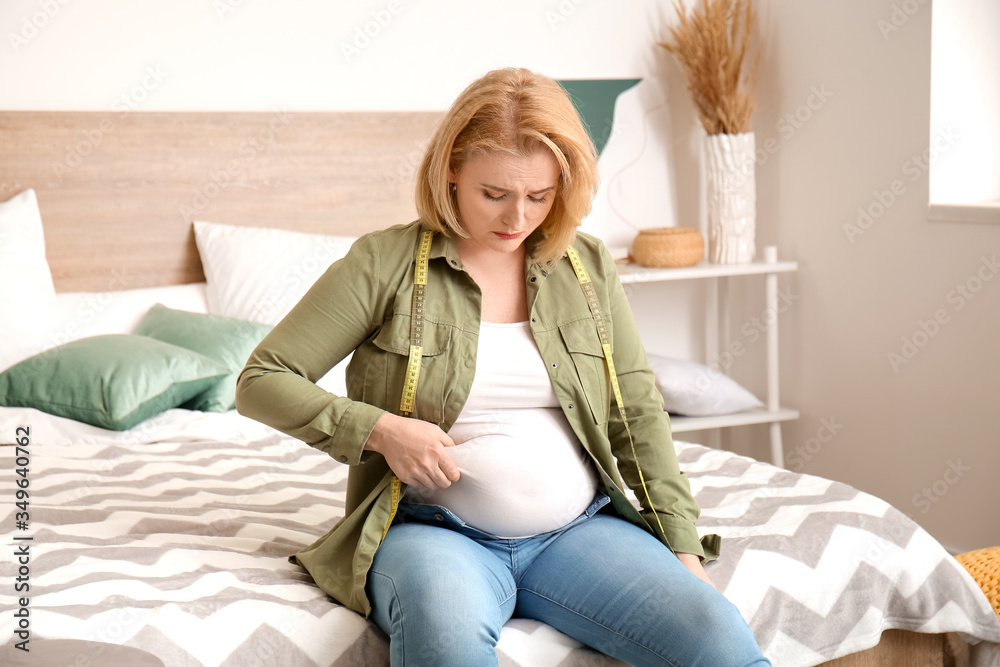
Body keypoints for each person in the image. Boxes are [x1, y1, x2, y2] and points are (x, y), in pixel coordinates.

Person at [236, 67, 770, 667]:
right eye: (494, 194)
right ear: (451, 171)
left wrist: (683, 553)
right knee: (445, 639)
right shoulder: (385, 263)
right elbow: (262, 379)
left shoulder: (585, 265)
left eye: (539, 197)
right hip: (434, 532)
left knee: (718, 636)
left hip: (578, 531)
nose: (518, 218)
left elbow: (636, 410)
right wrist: (382, 430)